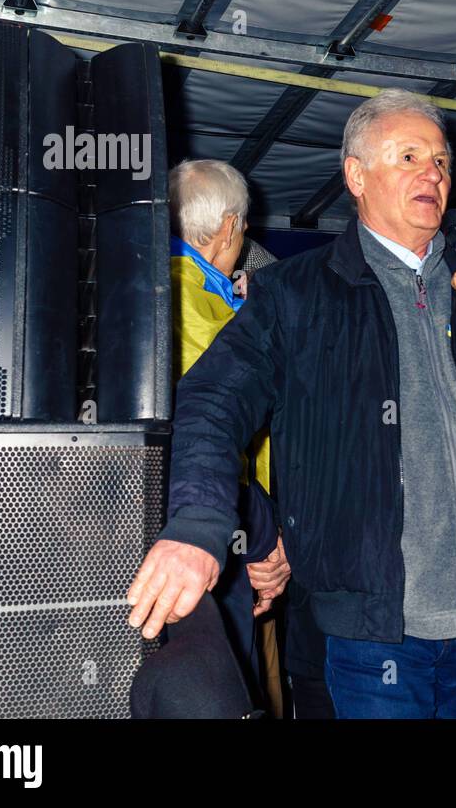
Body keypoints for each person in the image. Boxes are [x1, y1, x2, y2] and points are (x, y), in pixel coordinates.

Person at [128, 89, 456, 719]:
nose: (433, 172)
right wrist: (197, 529)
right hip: (377, 630)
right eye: (409, 156)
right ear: (356, 175)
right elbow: (210, 402)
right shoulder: (294, 292)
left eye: (442, 162)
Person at [167, 159, 287, 704]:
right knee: (226, 681)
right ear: (230, 226)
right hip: (217, 524)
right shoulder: (188, 301)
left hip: (223, 521)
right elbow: (207, 429)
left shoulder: (201, 293)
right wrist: (260, 529)